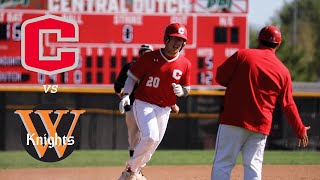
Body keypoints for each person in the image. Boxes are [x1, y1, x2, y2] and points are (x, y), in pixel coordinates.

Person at [211, 25, 310, 180]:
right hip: (260, 125)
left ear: (258, 40)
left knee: (223, 163)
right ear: (278, 44)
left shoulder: (243, 55)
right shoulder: (283, 71)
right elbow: (288, 104)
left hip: (233, 120)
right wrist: (300, 129)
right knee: (253, 167)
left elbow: (220, 77)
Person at [118, 23, 191, 180]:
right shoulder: (148, 58)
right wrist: (126, 95)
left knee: (154, 142)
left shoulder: (185, 63)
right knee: (150, 136)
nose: (177, 43)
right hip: (144, 103)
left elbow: (187, 88)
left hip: (164, 109)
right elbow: (131, 78)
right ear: (166, 39)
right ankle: (130, 171)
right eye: (174, 38)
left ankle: (132, 171)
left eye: (181, 40)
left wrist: (183, 91)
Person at [114, 44, 154, 158]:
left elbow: (118, 87)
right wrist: (124, 98)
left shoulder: (131, 66)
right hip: (142, 106)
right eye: (145, 52)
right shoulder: (153, 67)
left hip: (142, 106)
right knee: (139, 135)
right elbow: (118, 87)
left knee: (136, 136)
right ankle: (134, 165)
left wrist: (123, 96)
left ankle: (136, 164)